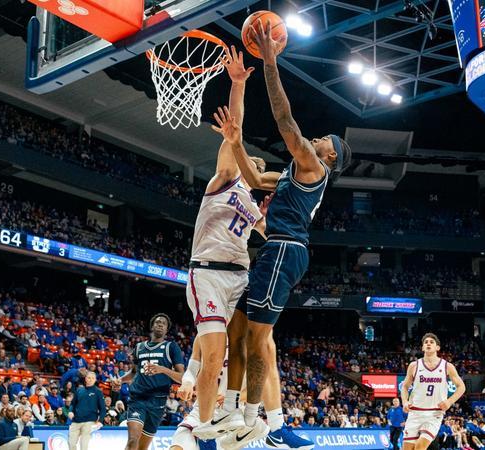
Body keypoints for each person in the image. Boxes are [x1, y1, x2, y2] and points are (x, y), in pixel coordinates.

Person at [211, 18, 353, 450]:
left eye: (325, 139)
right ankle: (235, 410)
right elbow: (255, 178)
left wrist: (270, 61)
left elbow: (285, 119)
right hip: (275, 250)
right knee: (240, 328)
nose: (318, 137)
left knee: (258, 339)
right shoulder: (294, 172)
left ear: (331, 156)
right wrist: (235, 140)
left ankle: (254, 419)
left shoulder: (314, 166)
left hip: (285, 250)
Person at [187, 45, 267, 440]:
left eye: (259, 167)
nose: (254, 166)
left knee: (247, 348)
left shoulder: (255, 208)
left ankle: (235, 414)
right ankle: (203, 425)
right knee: (214, 353)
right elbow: (236, 126)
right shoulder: (223, 179)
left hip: (240, 277)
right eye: (250, 162)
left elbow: (276, 233)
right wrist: (238, 85)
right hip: (208, 275)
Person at [112, 314, 184, 450]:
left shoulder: (171, 347)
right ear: (152, 326)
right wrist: (120, 380)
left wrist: (162, 369)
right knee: (132, 440)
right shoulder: (139, 347)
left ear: (167, 329)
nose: (160, 324)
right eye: (157, 322)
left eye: (164, 323)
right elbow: (134, 372)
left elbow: (182, 377)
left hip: (158, 401)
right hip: (138, 398)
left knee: (142, 447)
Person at [400, 333, 466, 450]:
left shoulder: (447, 366)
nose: (428, 344)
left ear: (437, 347)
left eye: (431, 342)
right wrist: (405, 402)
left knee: (420, 446)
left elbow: (461, 387)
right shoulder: (414, 365)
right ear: (422, 348)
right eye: (426, 342)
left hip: (434, 413)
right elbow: (404, 387)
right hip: (415, 412)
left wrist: (449, 401)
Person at [68, 371, 105, 450]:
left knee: (84, 445)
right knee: (71, 443)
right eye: (89, 378)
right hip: (76, 421)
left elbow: (103, 408)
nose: (91, 380)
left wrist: (100, 421)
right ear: (85, 379)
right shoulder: (79, 390)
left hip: (89, 421)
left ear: (95, 380)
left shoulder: (98, 392)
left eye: (93, 378)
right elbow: (73, 404)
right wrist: (70, 411)